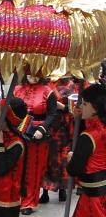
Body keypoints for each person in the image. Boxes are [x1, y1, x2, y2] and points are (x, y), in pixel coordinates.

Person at [45, 83, 106, 217]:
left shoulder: (89, 136)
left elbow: (74, 169)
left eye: (85, 103)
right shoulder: (100, 127)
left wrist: (71, 157)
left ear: (95, 107)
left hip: (95, 198)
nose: (82, 106)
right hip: (94, 194)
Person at [14, 74, 57, 214]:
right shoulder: (17, 89)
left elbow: (52, 114)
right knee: (18, 167)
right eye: (30, 72)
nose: (34, 76)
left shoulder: (47, 91)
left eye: (37, 73)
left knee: (34, 169)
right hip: (18, 132)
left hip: (38, 134)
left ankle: (29, 202)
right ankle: (16, 199)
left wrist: (42, 128)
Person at [41, 76, 79, 204]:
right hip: (50, 125)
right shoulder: (49, 84)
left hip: (65, 126)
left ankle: (62, 189)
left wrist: (62, 106)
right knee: (48, 158)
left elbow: (74, 108)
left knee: (62, 158)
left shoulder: (71, 86)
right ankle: (45, 191)